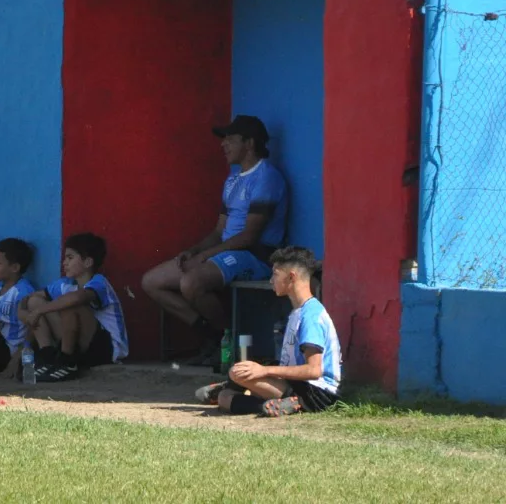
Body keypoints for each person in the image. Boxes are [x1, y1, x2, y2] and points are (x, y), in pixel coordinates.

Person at [141, 115, 289, 364]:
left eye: (230, 140)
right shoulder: (231, 180)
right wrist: (195, 250)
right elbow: (219, 231)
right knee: (151, 281)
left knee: (192, 282)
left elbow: (249, 236)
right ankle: (212, 336)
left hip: (256, 256)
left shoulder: (267, 177)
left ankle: (226, 340)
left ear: (249, 143)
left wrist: (206, 256)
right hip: (226, 252)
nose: (223, 145)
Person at [204, 246, 341, 417]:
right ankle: (273, 404)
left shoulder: (310, 316)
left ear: (291, 277)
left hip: (318, 393)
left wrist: (265, 371)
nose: (271, 280)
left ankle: (296, 403)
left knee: (238, 373)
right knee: (226, 397)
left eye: (275, 274)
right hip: (298, 385)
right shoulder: (297, 312)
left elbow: (314, 371)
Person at [19, 232, 129, 382]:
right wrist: (23, 312)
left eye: (70, 258)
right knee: (35, 301)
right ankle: (48, 355)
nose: (64, 263)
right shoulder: (66, 283)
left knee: (70, 305)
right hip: (79, 345)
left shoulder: (99, 282)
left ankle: (67, 363)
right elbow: (30, 299)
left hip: (105, 349)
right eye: (65, 258)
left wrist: (38, 311)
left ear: (88, 262)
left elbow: (77, 298)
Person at [0, 237, 36, 378]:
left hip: (7, 352)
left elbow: (33, 327)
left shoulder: (23, 291)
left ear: (15, 267)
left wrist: (18, 357)